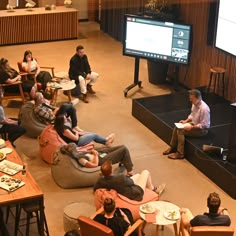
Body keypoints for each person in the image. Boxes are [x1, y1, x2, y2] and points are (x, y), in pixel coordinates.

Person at [163, 89, 210, 159]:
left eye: (192, 99)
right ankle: (172, 147)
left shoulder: (204, 109)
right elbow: (192, 115)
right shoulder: (194, 104)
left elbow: (204, 125)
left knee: (180, 131)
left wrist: (191, 128)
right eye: (190, 98)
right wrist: (185, 121)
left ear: (198, 98)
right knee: (177, 127)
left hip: (202, 130)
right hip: (194, 123)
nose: (190, 100)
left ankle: (180, 153)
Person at [94, 160, 166, 201]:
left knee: (138, 175)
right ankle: (153, 190)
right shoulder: (120, 178)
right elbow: (131, 182)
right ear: (111, 170)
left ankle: (151, 188)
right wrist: (126, 178)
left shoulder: (100, 180)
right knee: (145, 172)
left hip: (121, 189)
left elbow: (95, 189)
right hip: (135, 194)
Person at [60, 143, 134, 176]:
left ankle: (124, 160)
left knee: (122, 146)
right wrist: (95, 155)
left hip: (99, 154)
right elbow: (94, 165)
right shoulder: (81, 159)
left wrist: (92, 151)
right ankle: (130, 171)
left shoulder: (79, 152)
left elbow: (86, 149)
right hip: (101, 160)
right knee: (124, 149)